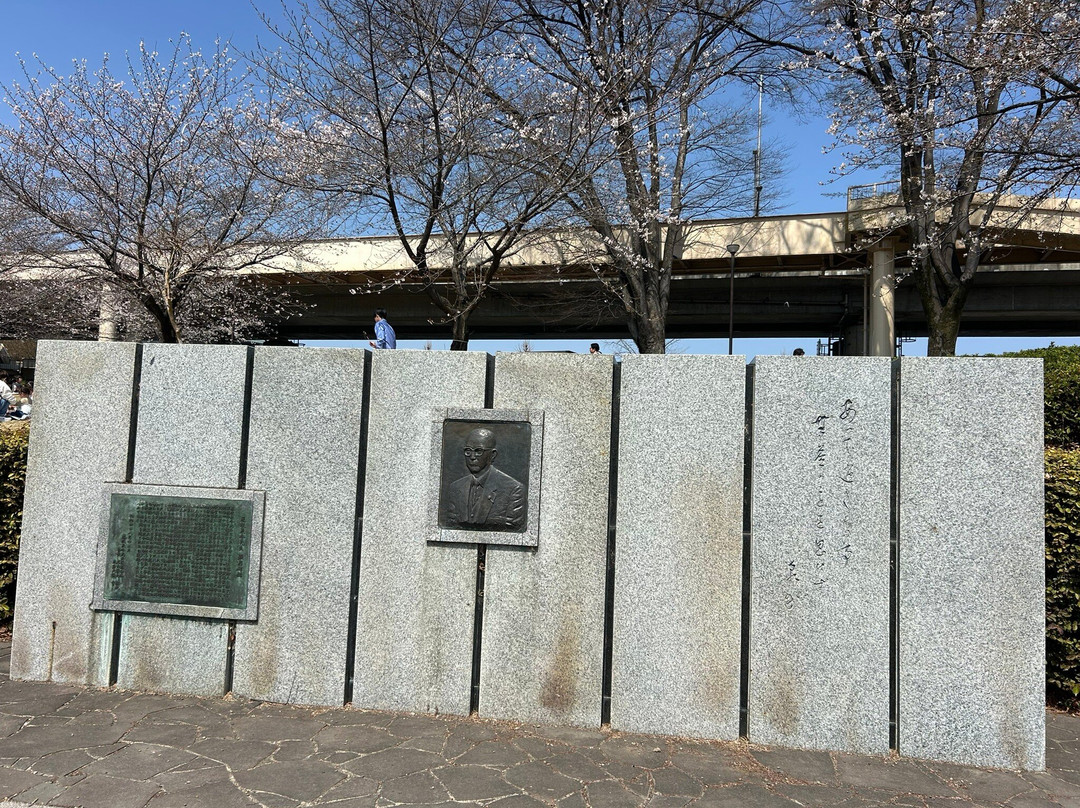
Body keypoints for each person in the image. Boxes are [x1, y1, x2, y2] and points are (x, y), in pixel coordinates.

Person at [444, 427, 526, 530]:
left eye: (479, 451)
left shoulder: (513, 489)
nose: (472, 457)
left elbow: (513, 529)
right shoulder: (456, 487)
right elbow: (451, 526)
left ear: (492, 455)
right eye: (468, 451)